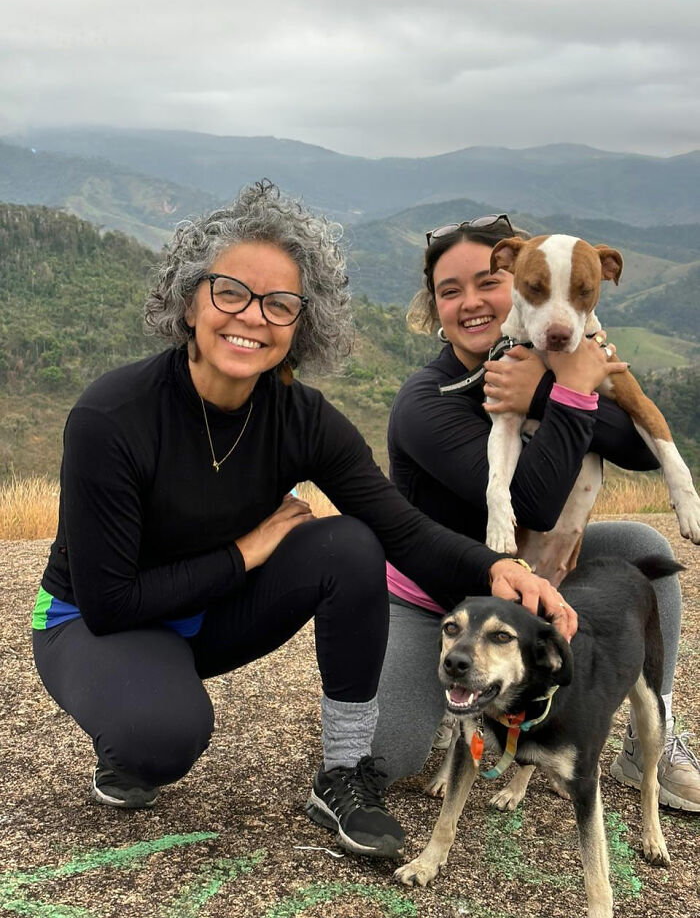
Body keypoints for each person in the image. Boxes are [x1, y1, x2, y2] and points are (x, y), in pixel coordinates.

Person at [31, 184, 576, 860]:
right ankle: (131, 724)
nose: (252, 318)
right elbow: (111, 602)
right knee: (158, 741)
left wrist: (501, 569)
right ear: (189, 298)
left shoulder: (301, 417)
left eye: (279, 303)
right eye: (230, 292)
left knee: (350, 543)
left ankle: (343, 774)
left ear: (300, 322)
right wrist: (248, 550)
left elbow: (400, 528)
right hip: (95, 622)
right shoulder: (112, 418)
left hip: (205, 612)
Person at [372, 214, 699, 812]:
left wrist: (554, 388)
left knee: (641, 553)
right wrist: (567, 389)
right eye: (450, 291)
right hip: (437, 595)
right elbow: (536, 503)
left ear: (511, 281)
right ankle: (467, 716)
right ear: (436, 305)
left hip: (530, 572)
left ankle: (652, 736)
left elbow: (632, 448)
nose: (472, 303)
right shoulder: (425, 400)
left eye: (485, 284)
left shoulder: (550, 354)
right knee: (384, 758)